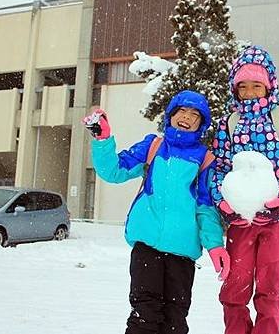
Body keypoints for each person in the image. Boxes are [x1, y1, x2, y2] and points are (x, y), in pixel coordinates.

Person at [83, 90, 230, 334]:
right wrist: (103, 140)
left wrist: (215, 245)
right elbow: (114, 171)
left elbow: (205, 208)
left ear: (201, 124)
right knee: (145, 315)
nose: (187, 117)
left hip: (182, 252)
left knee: (175, 320)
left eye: (195, 114)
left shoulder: (205, 159)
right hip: (147, 246)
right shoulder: (153, 146)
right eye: (181, 110)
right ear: (170, 115)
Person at [210, 46, 279, 334]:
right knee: (235, 290)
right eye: (242, 86)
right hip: (241, 221)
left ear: (269, 85)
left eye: (256, 85)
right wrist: (223, 203)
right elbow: (218, 167)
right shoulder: (228, 123)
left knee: (269, 292)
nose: (249, 92)